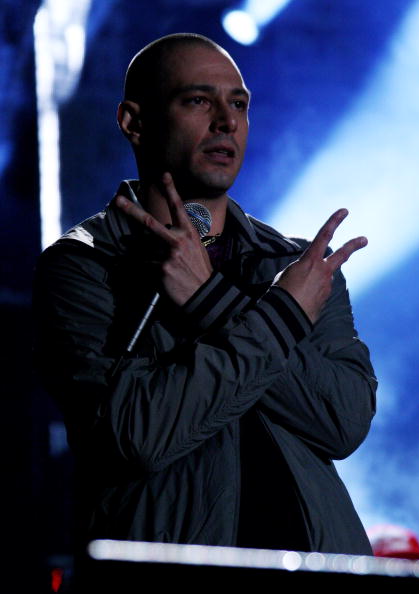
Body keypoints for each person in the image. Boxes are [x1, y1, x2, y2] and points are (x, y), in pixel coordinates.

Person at [33, 33, 377, 568]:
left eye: (238, 104)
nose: (226, 122)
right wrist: (280, 317)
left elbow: (343, 422)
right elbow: (136, 435)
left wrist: (211, 301)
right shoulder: (84, 265)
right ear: (133, 122)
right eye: (198, 100)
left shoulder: (294, 266)